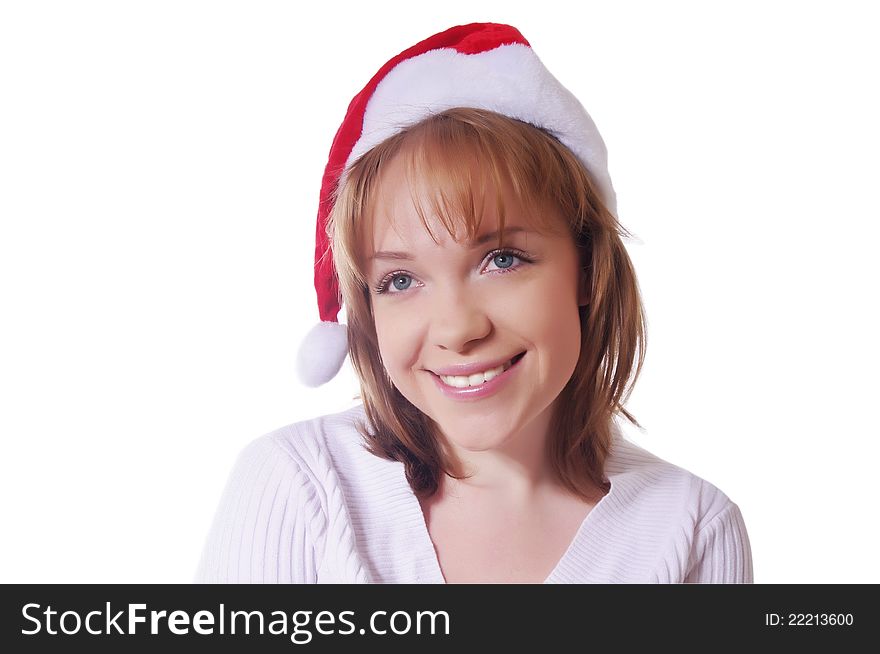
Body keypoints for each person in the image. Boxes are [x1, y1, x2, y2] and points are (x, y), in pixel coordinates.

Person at [194, 22, 753, 583]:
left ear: (586, 266)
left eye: (502, 259)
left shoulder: (693, 528)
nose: (457, 328)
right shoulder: (298, 487)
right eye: (400, 280)